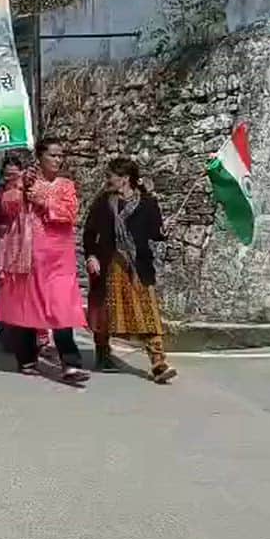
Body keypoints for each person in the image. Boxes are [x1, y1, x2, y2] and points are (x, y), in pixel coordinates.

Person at [0, 140, 89, 382]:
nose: (58, 160)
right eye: (53, 155)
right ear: (40, 156)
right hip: (29, 255)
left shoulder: (66, 186)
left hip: (59, 257)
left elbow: (70, 213)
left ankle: (70, 363)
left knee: (61, 308)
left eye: (61, 155)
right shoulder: (23, 181)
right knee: (28, 306)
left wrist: (43, 198)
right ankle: (27, 357)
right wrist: (23, 190)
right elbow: (7, 205)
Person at [83, 157, 175, 383]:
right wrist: (91, 256)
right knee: (105, 310)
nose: (107, 180)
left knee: (147, 310)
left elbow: (155, 233)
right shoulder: (104, 202)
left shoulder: (148, 203)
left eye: (110, 176)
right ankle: (103, 353)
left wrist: (165, 231)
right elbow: (89, 231)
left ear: (124, 179)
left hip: (137, 266)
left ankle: (157, 362)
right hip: (109, 264)